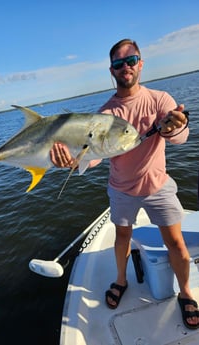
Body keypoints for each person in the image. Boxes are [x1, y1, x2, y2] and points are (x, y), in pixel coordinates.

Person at [50, 38, 199, 329]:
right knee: (121, 239)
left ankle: (185, 292)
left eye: (131, 61)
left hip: (158, 186)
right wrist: (74, 161)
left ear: (140, 64)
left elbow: (180, 135)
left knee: (176, 244)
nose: (126, 67)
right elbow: (93, 155)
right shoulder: (105, 114)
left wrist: (176, 126)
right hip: (121, 189)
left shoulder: (159, 100)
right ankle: (121, 280)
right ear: (112, 70)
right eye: (119, 63)